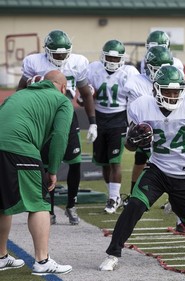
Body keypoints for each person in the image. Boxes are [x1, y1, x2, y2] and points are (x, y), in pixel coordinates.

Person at [98, 65, 185, 271]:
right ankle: (113, 253)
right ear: (155, 90)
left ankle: (176, 204)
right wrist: (133, 141)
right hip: (158, 169)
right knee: (134, 205)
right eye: (167, 90)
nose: (172, 96)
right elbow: (129, 144)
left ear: (183, 89)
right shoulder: (142, 106)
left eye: (176, 91)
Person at [16, 29, 98, 225]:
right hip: (44, 118)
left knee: (75, 162)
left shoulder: (78, 62)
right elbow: (21, 89)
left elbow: (86, 93)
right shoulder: (34, 62)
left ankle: (71, 205)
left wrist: (93, 122)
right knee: (45, 164)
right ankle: (49, 208)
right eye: (57, 54)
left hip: (67, 115)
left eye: (64, 53)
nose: (61, 57)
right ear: (47, 51)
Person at [0, 70, 73, 275]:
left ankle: (1, 256)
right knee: (39, 203)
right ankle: (42, 260)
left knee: (3, 204)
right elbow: (60, 136)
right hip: (21, 148)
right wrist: (53, 169)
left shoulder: (18, 94)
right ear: (63, 87)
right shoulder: (62, 100)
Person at [87, 40, 139, 214]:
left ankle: (112, 198)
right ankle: (114, 195)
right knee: (104, 162)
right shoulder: (94, 69)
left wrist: (133, 122)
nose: (112, 61)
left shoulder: (129, 72)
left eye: (115, 58)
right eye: (109, 57)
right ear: (103, 55)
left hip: (118, 119)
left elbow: (134, 98)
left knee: (115, 161)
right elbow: (85, 94)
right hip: (100, 118)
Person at [124, 45, 174, 201]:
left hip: (166, 129)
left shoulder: (173, 78)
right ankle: (134, 196)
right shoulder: (136, 82)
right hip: (145, 129)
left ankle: (174, 198)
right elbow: (135, 111)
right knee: (145, 162)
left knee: (167, 166)